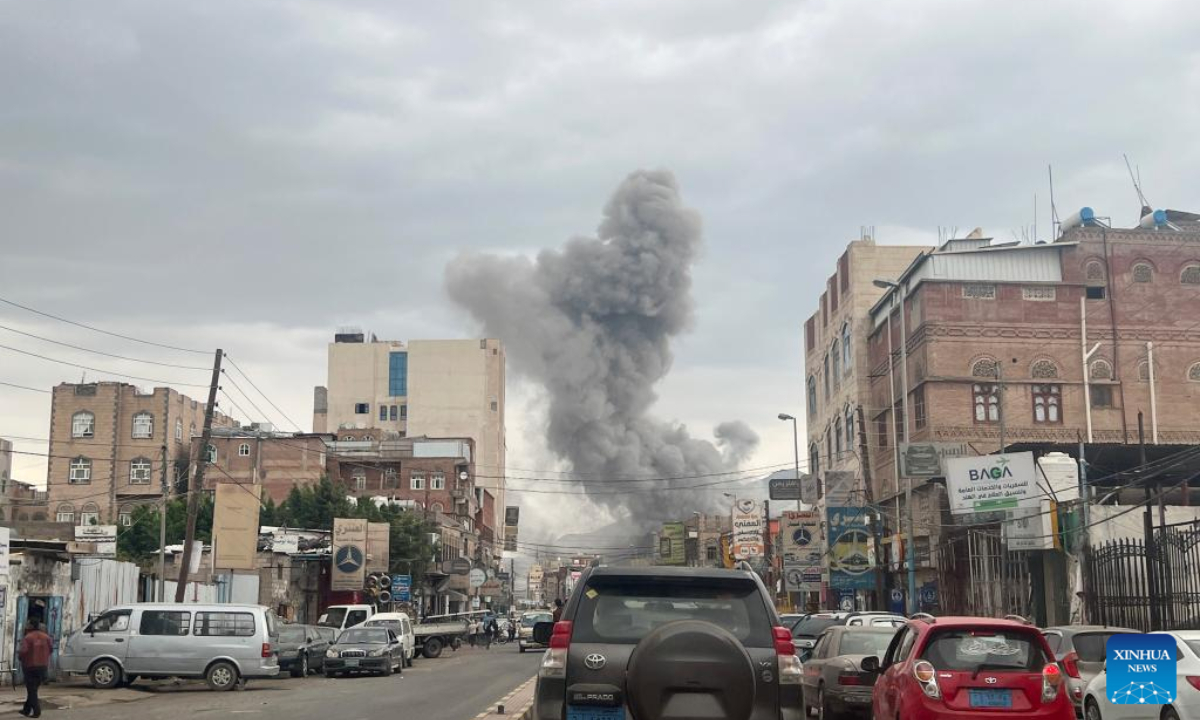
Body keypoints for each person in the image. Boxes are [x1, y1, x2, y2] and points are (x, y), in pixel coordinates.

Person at [19, 619, 53, 718]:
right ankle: (26, 710)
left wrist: (20, 657)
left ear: (31, 626)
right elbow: (51, 649)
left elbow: (23, 651)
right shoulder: (46, 637)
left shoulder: (28, 637)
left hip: (30, 666)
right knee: (33, 689)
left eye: (28, 624)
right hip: (43, 666)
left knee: (31, 690)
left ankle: (36, 711)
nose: (27, 625)